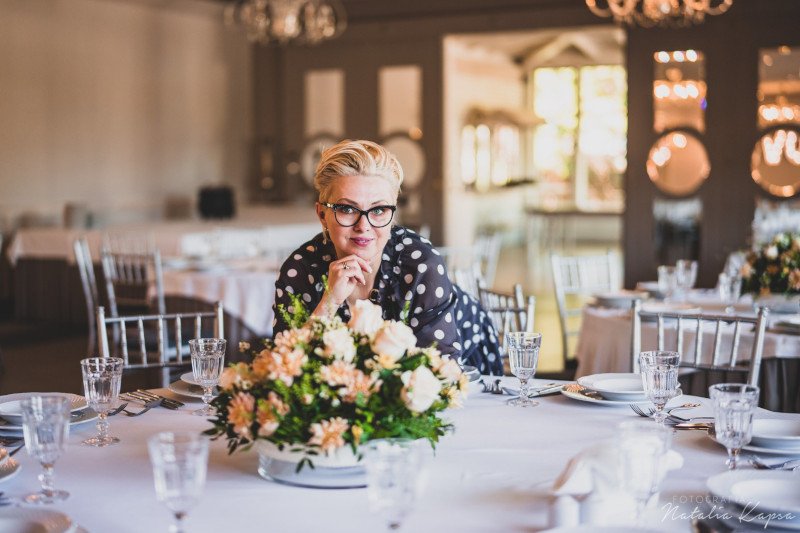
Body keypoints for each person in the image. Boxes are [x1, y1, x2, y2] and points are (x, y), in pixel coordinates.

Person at [272, 139, 503, 375]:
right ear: (322, 214)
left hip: (467, 366)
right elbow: (283, 371)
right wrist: (330, 301)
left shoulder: (421, 265)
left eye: (379, 210)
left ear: (393, 214)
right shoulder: (300, 269)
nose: (364, 226)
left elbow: (441, 374)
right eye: (347, 209)